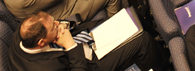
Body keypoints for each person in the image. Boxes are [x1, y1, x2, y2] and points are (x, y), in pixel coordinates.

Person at [11, 11, 160, 71]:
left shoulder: (24, 30)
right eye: (53, 27)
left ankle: (158, 44)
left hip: (80, 39)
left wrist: (63, 25)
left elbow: (53, 23)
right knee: (143, 40)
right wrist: (70, 46)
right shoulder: (45, 68)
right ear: (41, 42)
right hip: (89, 64)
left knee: (127, 19)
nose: (57, 24)